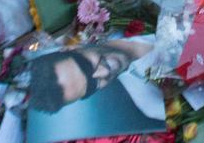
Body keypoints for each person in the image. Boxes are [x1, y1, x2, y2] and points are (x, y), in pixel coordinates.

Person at [28, 38, 162, 121]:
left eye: (86, 67)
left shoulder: (117, 5)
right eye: (92, 85)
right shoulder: (151, 104)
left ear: (72, 48)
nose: (105, 72)